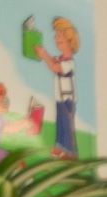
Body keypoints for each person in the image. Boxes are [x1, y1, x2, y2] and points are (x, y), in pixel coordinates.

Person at [34, 17, 81, 158]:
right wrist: (44, 56)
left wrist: (44, 55)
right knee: (60, 123)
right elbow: (53, 63)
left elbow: (55, 68)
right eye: (56, 36)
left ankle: (70, 152)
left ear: (69, 41)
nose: (56, 39)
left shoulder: (69, 62)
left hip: (67, 99)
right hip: (60, 97)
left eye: (60, 37)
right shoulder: (60, 58)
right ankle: (59, 147)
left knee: (67, 126)